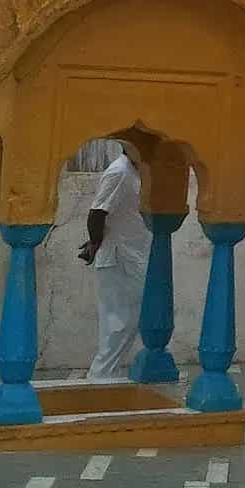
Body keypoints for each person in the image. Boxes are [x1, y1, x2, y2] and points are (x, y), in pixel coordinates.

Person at [79, 145, 150, 381]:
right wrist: (95, 242)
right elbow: (97, 213)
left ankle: (104, 378)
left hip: (128, 256)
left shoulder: (133, 171)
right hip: (118, 257)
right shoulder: (119, 172)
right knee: (118, 326)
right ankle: (99, 380)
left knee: (125, 323)